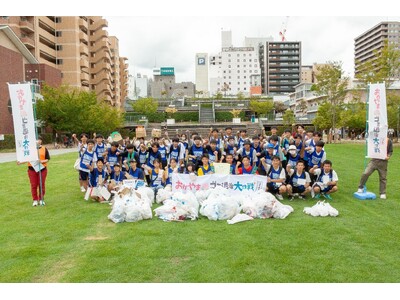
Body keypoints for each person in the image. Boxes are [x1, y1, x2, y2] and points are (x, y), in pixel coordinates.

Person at [17, 136, 50, 207]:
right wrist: (20, 162)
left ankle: (41, 199)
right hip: (32, 170)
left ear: (41, 141)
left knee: (41, 184)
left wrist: (41, 161)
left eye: (38, 139)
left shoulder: (44, 149)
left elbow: (47, 159)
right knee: (34, 185)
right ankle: (35, 200)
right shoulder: (30, 149)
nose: (37, 141)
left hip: (42, 169)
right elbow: (26, 159)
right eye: (35, 140)